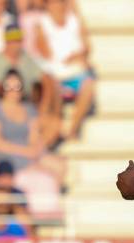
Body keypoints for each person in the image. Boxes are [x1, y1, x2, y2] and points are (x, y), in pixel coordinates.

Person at [0, 23, 62, 147]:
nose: (15, 44)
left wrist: (44, 106)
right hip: (0, 112)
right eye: (12, 40)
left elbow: (46, 79)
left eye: (18, 40)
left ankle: (34, 152)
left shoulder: (26, 59)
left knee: (54, 123)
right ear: (5, 41)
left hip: (22, 110)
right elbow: (0, 89)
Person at [33, 0, 94, 140]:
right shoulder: (43, 23)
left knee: (89, 85)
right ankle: (55, 125)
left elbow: (87, 47)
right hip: (56, 75)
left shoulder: (74, 20)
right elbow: (44, 52)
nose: (56, 5)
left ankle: (72, 128)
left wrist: (78, 56)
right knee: (51, 86)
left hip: (75, 73)